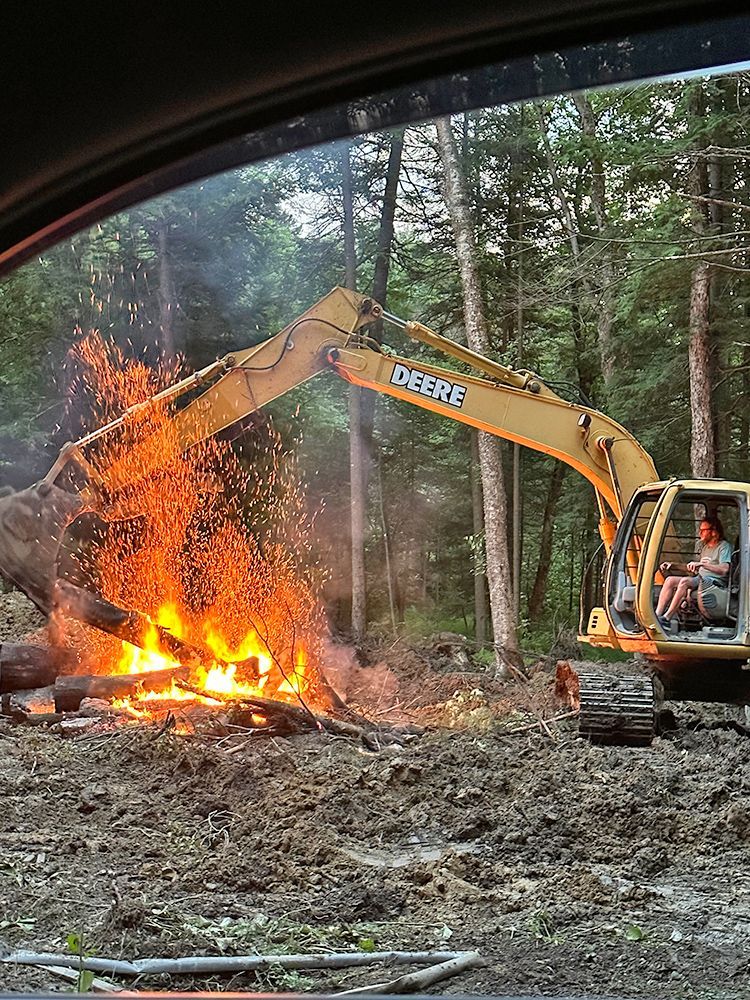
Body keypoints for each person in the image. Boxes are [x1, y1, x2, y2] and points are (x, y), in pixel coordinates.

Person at [655, 516, 732, 628]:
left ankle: (667, 618)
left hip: (713, 583)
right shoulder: (704, 547)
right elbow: (694, 569)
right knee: (670, 580)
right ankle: (657, 615)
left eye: (703, 530)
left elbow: (724, 569)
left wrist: (703, 564)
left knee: (685, 581)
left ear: (713, 531)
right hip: (700, 579)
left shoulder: (724, 547)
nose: (699, 533)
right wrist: (673, 565)